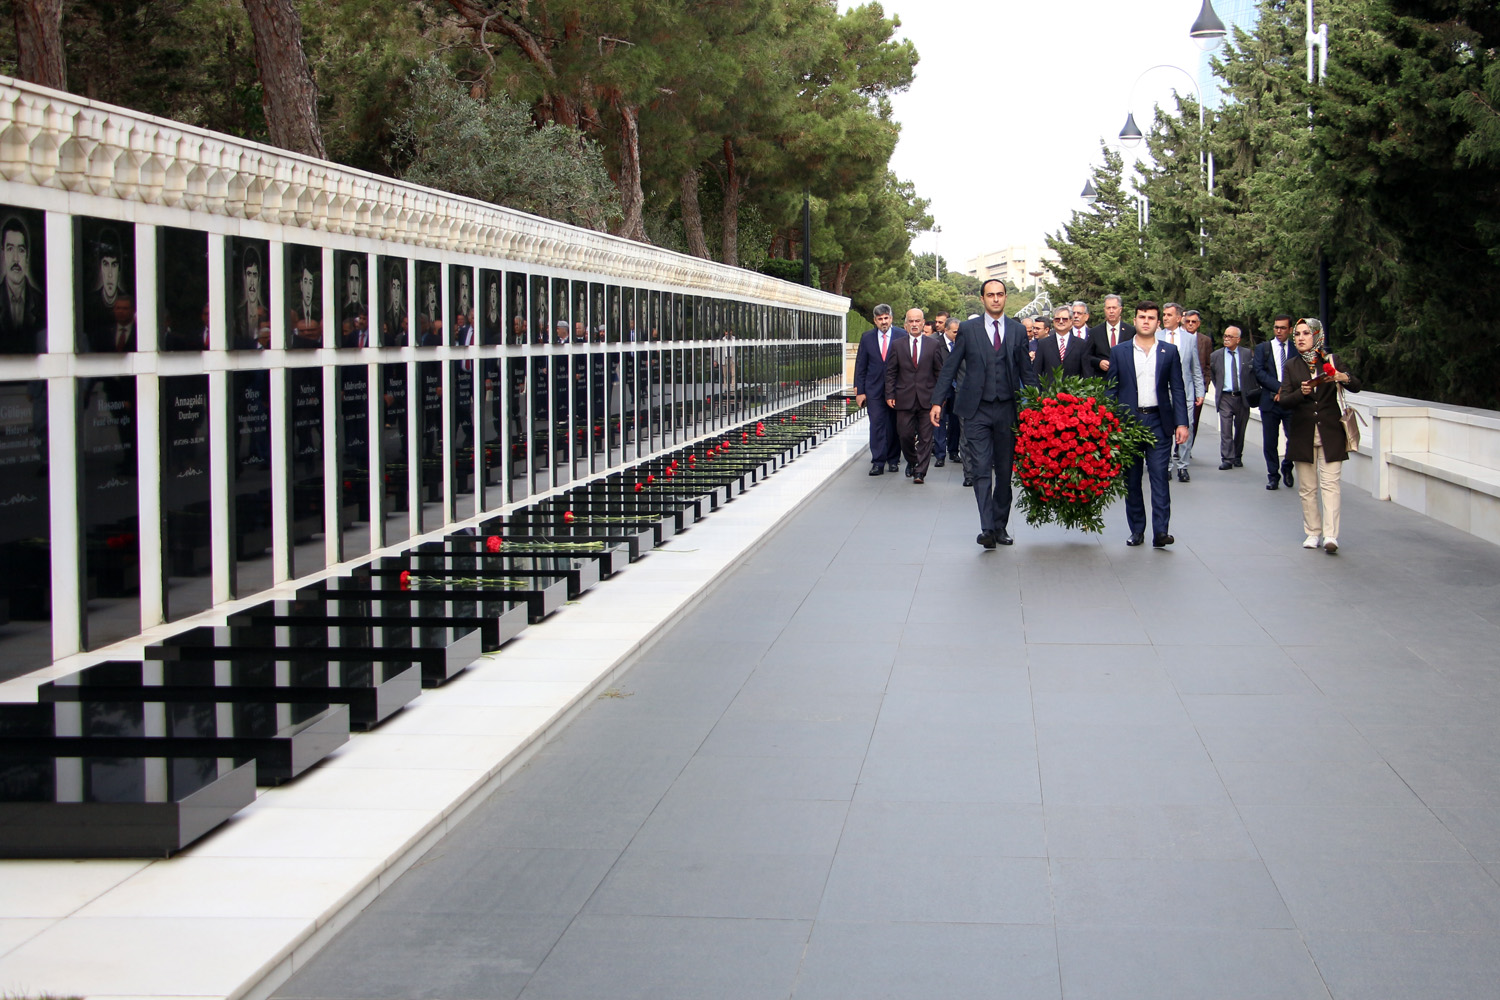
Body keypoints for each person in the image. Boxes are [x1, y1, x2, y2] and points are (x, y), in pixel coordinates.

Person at [930, 278, 1038, 548]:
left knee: (1004, 471)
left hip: (1007, 409)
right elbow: (951, 366)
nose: (996, 299)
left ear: (1005, 297)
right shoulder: (968, 329)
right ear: (983, 299)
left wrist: (1038, 405)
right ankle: (987, 528)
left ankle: (1000, 526)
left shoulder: (1017, 330)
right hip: (976, 409)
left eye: (1000, 294)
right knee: (980, 469)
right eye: (991, 295)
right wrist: (937, 401)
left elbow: (1026, 372)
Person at [1108, 302, 1191, 547]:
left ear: (1158, 323)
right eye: (1142, 317)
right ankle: (1137, 530)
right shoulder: (1120, 351)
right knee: (1132, 480)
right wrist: (1109, 423)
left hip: (1158, 422)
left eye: (1151, 318)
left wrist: (1182, 423)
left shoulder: (1169, 351)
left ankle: (1161, 531)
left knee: (1159, 477)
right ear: (1134, 320)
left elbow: (1178, 388)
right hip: (1129, 424)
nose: (1146, 321)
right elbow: (1111, 389)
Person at [1278, 318, 1361, 553]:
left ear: (1317, 336)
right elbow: (1284, 400)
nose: (1300, 338)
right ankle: (1312, 532)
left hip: (1330, 433)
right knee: (1307, 488)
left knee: (1331, 485)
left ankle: (1331, 535)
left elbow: (1356, 384)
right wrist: (1301, 392)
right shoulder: (1291, 365)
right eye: (1297, 334)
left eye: (1306, 333)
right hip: (1303, 434)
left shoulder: (1331, 361)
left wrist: (1342, 377)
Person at [886, 307, 942, 483]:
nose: (915, 324)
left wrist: (939, 399)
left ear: (923, 323)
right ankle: (912, 461)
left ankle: (920, 472)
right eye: (911, 321)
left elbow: (939, 373)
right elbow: (891, 372)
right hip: (904, 398)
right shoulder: (897, 345)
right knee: (904, 434)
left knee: (926, 437)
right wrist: (889, 394)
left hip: (927, 398)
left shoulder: (933, 345)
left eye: (918, 321)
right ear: (905, 325)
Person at [853, 304, 901, 475]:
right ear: (875, 320)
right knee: (877, 424)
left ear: (891, 318)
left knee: (894, 425)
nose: (884, 322)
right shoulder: (867, 338)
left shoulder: (902, 335)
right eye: (880, 319)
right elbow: (861, 365)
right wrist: (860, 391)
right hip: (873, 389)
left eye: (886, 318)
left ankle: (893, 460)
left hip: (896, 389)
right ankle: (878, 462)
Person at [1160, 302, 1205, 482]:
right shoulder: (1156, 336)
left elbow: (1195, 367)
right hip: (1163, 391)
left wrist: (1200, 391)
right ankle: (1167, 465)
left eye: (1169, 315)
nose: (1165, 318)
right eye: (1164, 314)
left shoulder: (1189, 339)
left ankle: (1183, 466)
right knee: (1165, 429)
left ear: (1178, 318)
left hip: (1185, 391)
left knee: (1187, 426)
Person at [1253, 314, 1297, 490]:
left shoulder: (1296, 349)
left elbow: (1300, 373)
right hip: (1269, 402)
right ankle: (1273, 475)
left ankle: (1287, 465)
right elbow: (1259, 372)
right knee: (1270, 441)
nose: (1279, 331)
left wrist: (1285, 391)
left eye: (1283, 328)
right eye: (1276, 327)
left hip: (1290, 402)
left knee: (1294, 438)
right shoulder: (1263, 348)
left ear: (1290, 330)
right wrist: (1279, 388)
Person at [0, 214, 44, 353]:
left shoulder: (41, 303)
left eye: (21, 250)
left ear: (27, 257)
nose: (15, 259)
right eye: (10, 249)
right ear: (3, 254)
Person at [1210, 325, 1252, 470]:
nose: (1226, 339)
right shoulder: (1216, 356)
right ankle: (1227, 458)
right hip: (1225, 397)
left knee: (1240, 428)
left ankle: (1237, 456)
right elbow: (1214, 376)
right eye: (1225, 336)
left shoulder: (1247, 354)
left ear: (1238, 339)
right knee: (1226, 429)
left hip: (1242, 397)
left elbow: (1251, 374)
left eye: (1230, 336)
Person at [933, 317, 963, 473]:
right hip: (942, 388)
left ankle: (953, 451)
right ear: (946, 330)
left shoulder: (962, 343)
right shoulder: (935, 344)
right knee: (940, 420)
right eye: (955, 332)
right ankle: (940, 454)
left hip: (958, 388)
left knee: (955, 421)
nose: (958, 335)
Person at [1182, 309, 1213, 449]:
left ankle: (1187, 448)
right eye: (1188, 321)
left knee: (1193, 420)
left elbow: (1208, 365)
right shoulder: (1178, 338)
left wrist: (1204, 386)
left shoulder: (1205, 341)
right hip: (1180, 384)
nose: (1190, 324)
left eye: (1193, 322)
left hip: (1197, 387)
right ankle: (1177, 447)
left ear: (1198, 324)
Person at [1032, 305, 1090, 380]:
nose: (1061, 321)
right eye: (1057, 319)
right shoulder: (1043, 344)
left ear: (1071, 321)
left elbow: (1086, 372)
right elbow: (1037, 371)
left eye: (1065, 319)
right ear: (1053, 321)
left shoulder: (1081, 344)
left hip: (1073, 386)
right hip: (1049, 386)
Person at [1087, 293, 1134, 376]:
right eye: (1108, 308)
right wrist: (1099, 362)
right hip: (1102, 378)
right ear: (1104, 310)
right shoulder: (1095, 332)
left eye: (1114, 308)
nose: (1111, 311)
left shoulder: (1131, 331)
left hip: (1124, 377)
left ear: (1120, 309)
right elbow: (1087, 356)